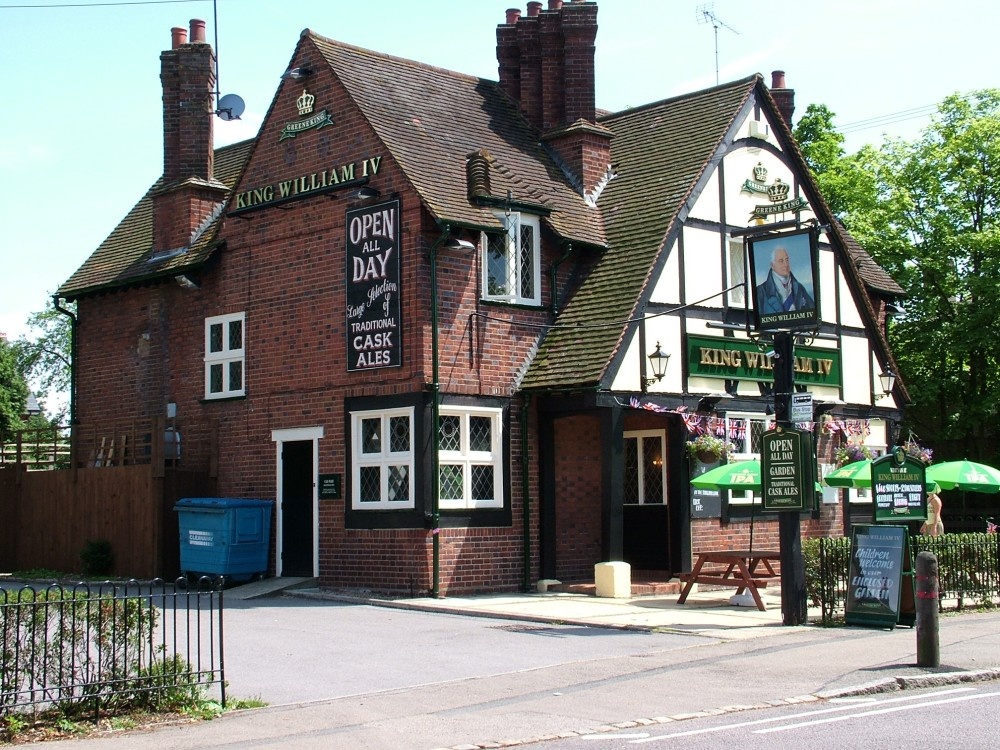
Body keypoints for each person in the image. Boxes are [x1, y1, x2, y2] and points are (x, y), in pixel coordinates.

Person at [756, 245, 814, 314]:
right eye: (781, 261)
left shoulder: (799, 288)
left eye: (787, 260)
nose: (786, 264)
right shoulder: (761, 292)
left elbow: (813, 313)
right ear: (772, 265)